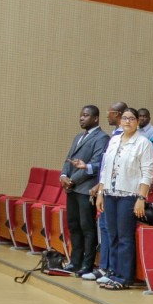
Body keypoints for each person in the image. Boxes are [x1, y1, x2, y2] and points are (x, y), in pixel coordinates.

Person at [93, 108, 153, 290]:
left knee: (125, 237)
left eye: (132, 119)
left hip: (129, 195)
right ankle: (112, 272)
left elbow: (147, 172)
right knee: (112, 235)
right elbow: (105, 170)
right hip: (110, 193)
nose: (127, 122)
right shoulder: (113, 141)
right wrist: (100, 193)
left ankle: (124, 277)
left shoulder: (143, 143)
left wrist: (141, 198)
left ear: (137, 122)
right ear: (120, 121)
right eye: (125, 118)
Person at [61, 105, 110, 276]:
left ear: (96, 118)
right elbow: (69, 159)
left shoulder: (102, 137)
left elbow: (97, 164)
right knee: (73, 226)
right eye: (81, 115)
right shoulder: (78, 137)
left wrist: (72, 180)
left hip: (85, 190)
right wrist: (63, 176)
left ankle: (87, 264)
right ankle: (75, 262)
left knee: (86, 228)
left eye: (86, 115)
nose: (82, 118)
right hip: (72, 190)